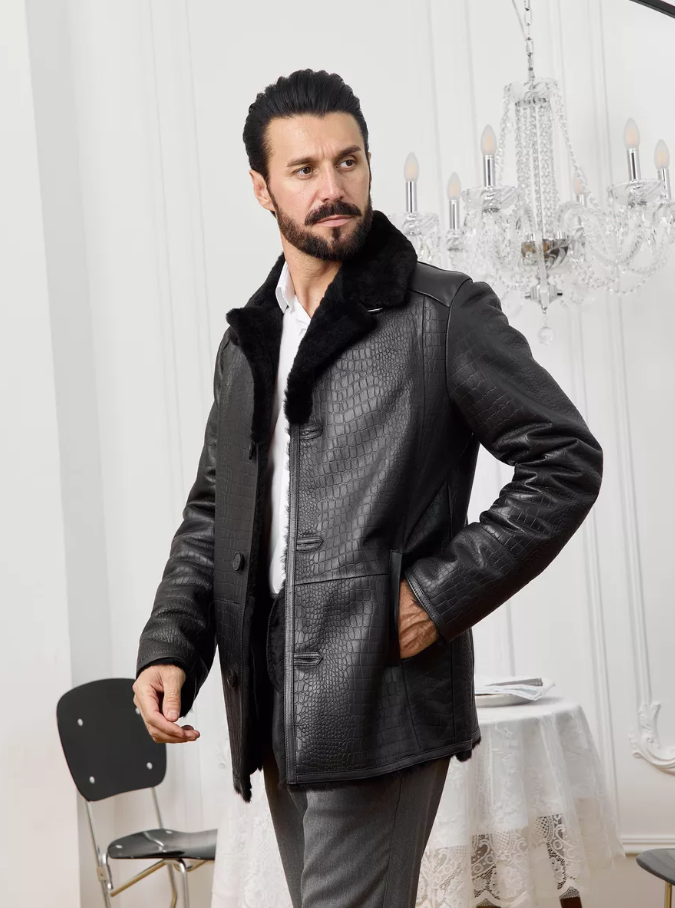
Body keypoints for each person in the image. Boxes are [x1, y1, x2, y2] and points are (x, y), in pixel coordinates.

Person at [133, 68, 604, 908]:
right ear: (261, 188)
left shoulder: (442, 313)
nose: (332, 188)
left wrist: (435, 596)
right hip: (269, 698)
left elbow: (563, 459)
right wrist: (172, 644)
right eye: (304, 169)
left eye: (347, 162)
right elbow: (214, 513)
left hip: (379, 692)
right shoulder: (248, 343)